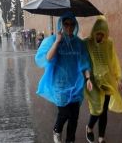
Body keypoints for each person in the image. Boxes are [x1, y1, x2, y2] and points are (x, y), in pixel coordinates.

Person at [35, 11, 92, 143]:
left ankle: (70, 140)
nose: (69, 27)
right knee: (65, 113)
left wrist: (88, 78)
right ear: (61, 24)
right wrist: (57, 42)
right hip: (60, 84)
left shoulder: (79, 43)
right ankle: (57, 129)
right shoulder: (53, 40)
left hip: (76, 84)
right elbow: (47, 58)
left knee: (74, 116)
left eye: (72, 24)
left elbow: (84, 62)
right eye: (66, 24)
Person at [84, 16, 122, 143]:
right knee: (97, 108)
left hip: (107, 81)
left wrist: (118, 78)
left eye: (102, 34)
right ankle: (89, 127)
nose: (100, 37)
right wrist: (88, 78)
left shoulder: (109, 43)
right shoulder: (87, 43)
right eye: (98, 34)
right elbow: (85, 62)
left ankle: (101, 138)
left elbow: (113, 61)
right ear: (94, 32)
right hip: (94, 81)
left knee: (104, 110)